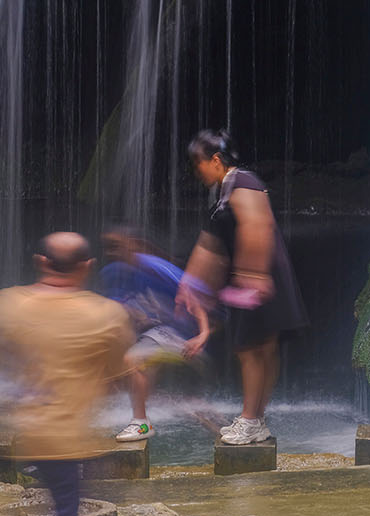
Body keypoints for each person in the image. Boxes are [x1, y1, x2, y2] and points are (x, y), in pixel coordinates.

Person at [178, 128, 307, 446]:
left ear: (216, 160)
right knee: (261, 349)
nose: (197, 172)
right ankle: (255, 419)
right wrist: (190, 284)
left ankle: (251, 420)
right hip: (260, 276)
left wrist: (254, 275)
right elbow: (210, 245)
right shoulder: (226, 191)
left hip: (259, 277)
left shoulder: (242, 181)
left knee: (251, 349)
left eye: (199, 164)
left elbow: (257, 225)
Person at [0, 231, 133, 516]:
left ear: (40, 261)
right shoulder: (107, 315)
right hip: (70, 440)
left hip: (30, 435)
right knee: (67, 512)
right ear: (87, 266)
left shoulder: (8, 304)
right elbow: (120, 374)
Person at [99, 225, 211, 441]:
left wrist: (203, 334)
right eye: (107, 247)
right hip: (153, 335)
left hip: (181, 337)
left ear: (133, 244)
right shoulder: (114, 273)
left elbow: (193, 297)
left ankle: (141, 424)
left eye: (116, 246)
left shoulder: (156, 267)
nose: (111, 252)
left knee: (132, 360)